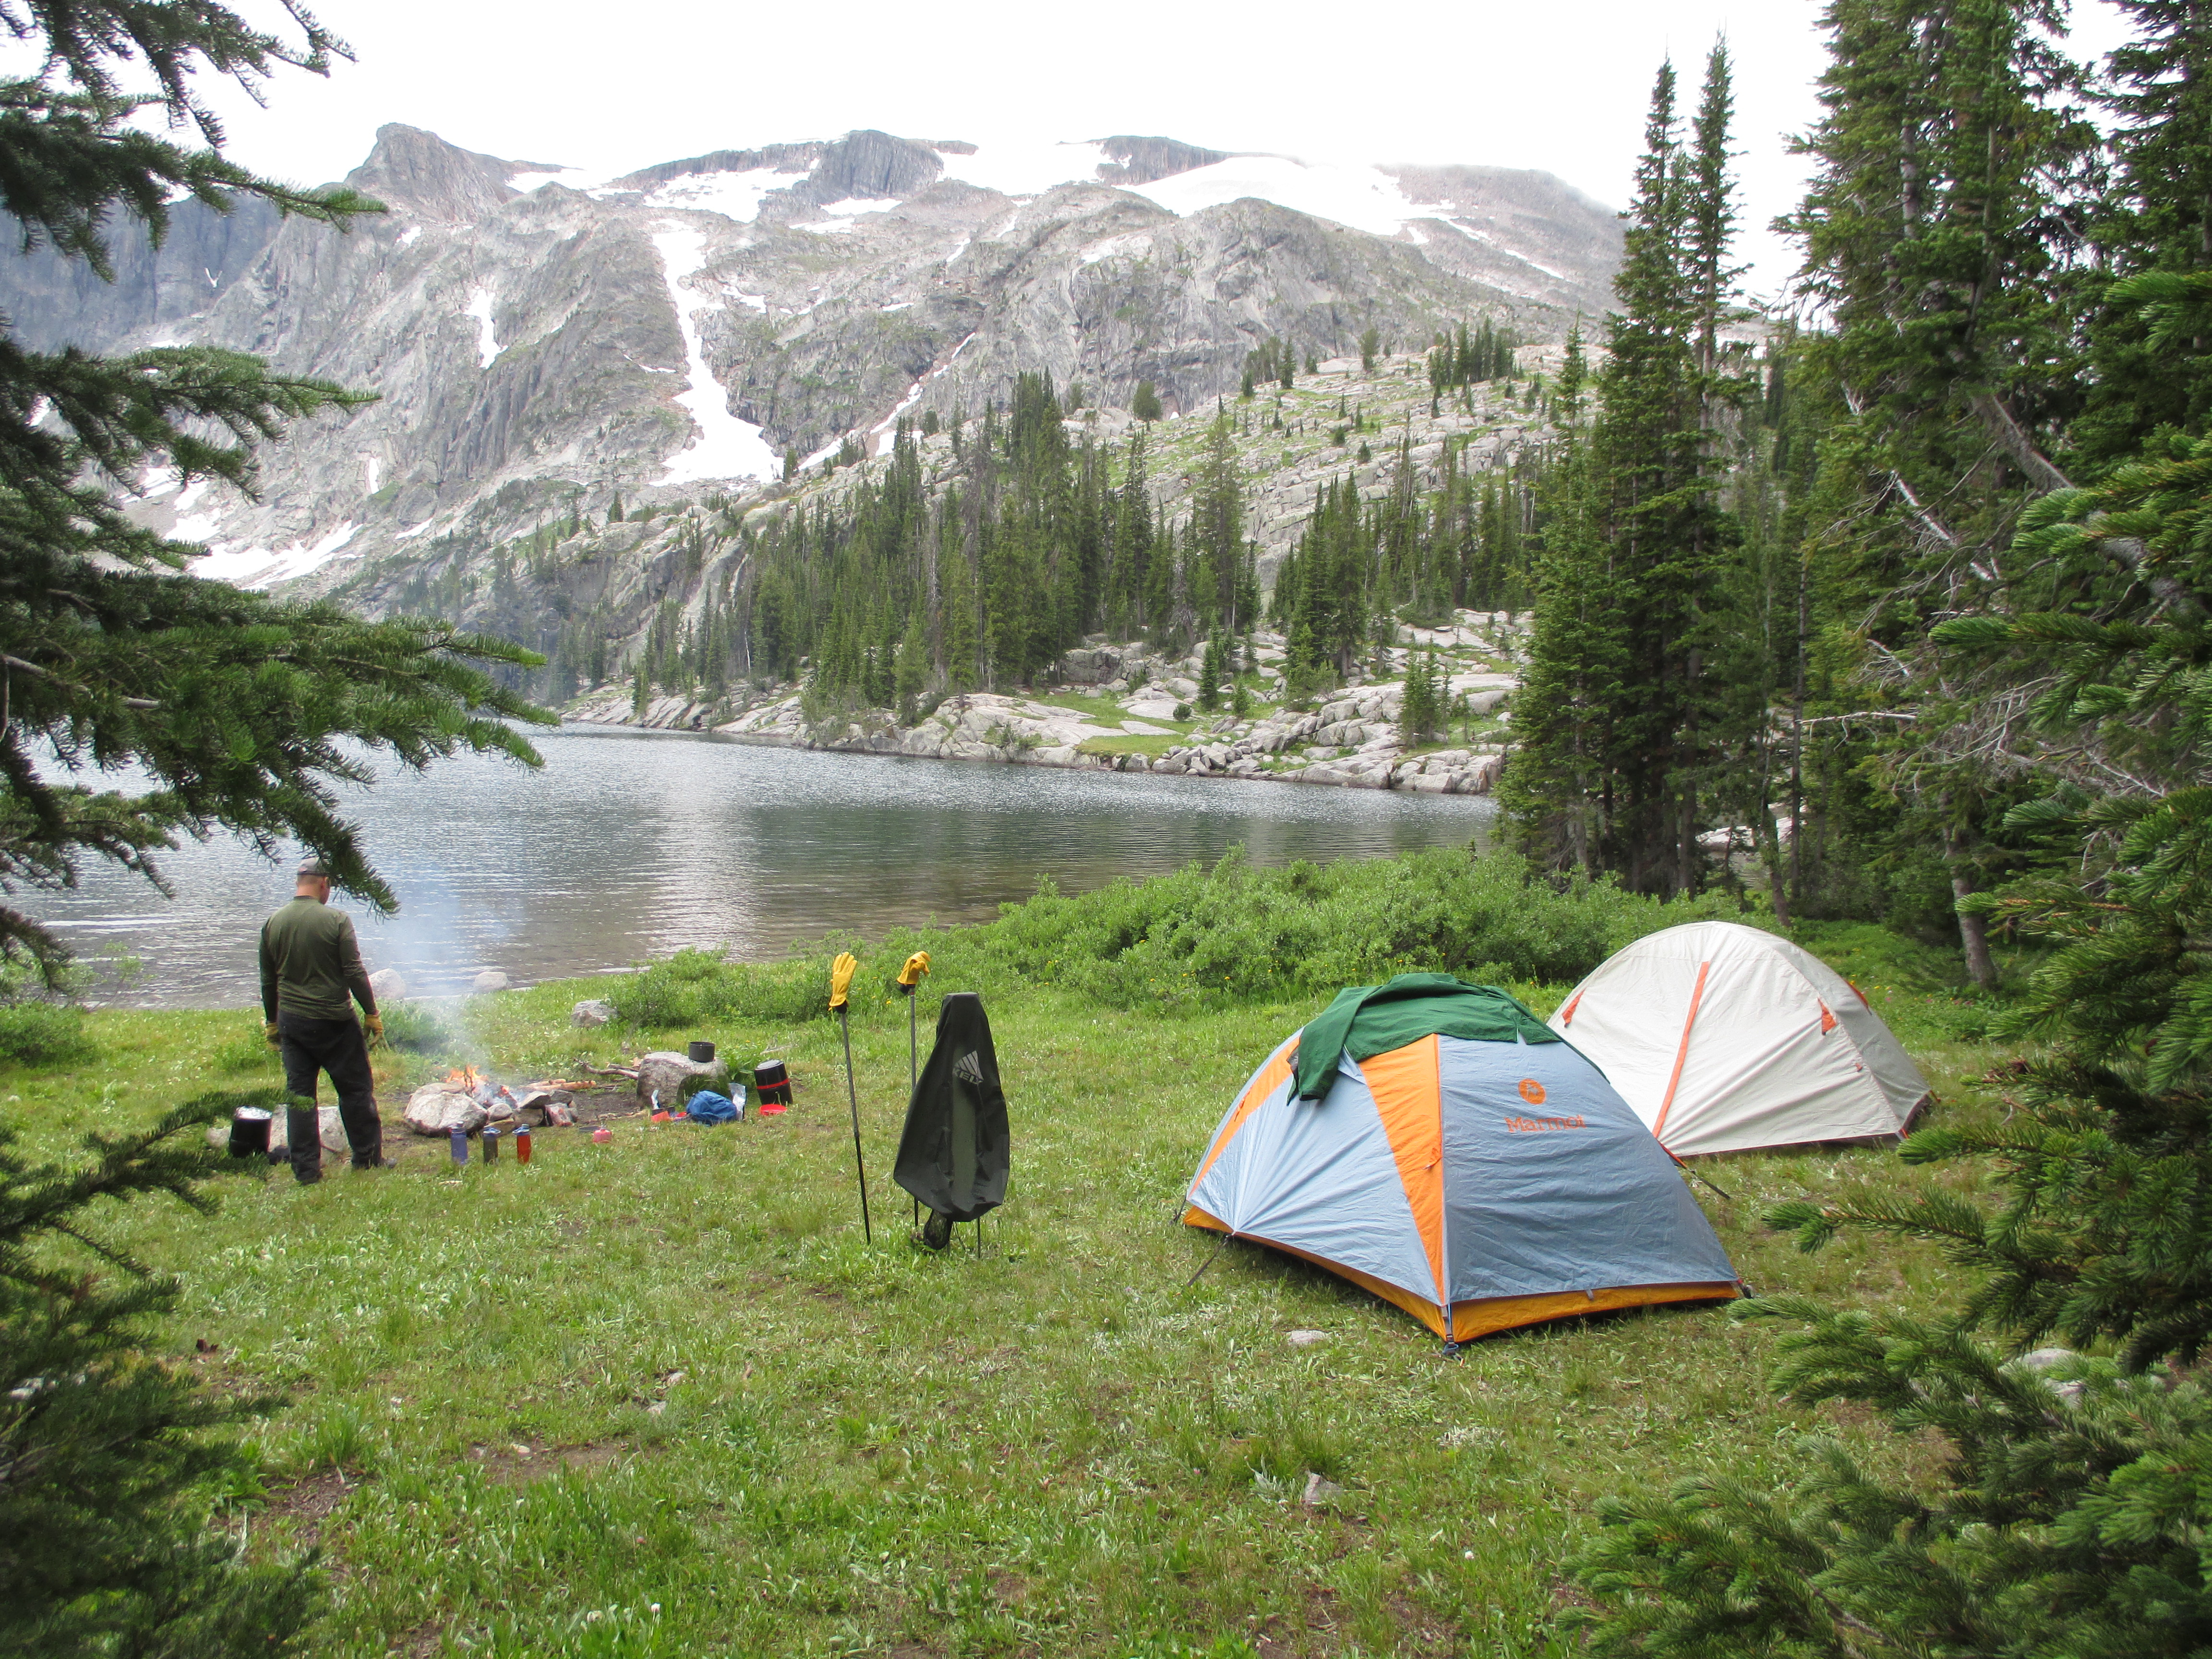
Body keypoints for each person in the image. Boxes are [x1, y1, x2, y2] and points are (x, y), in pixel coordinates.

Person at [259, 857, 390, 1181]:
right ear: (323, 884)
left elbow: (267, 980)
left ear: (298, 883)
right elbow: (353, 971)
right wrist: (371, 1012)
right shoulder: (336, 920)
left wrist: (272, 1022)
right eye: (329, 886)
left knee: (301, 1096)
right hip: (334, 1020)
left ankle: (305, 1171)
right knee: (356, 1090)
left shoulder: (273, 922)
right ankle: (367, 1159)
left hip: (292, 1022)